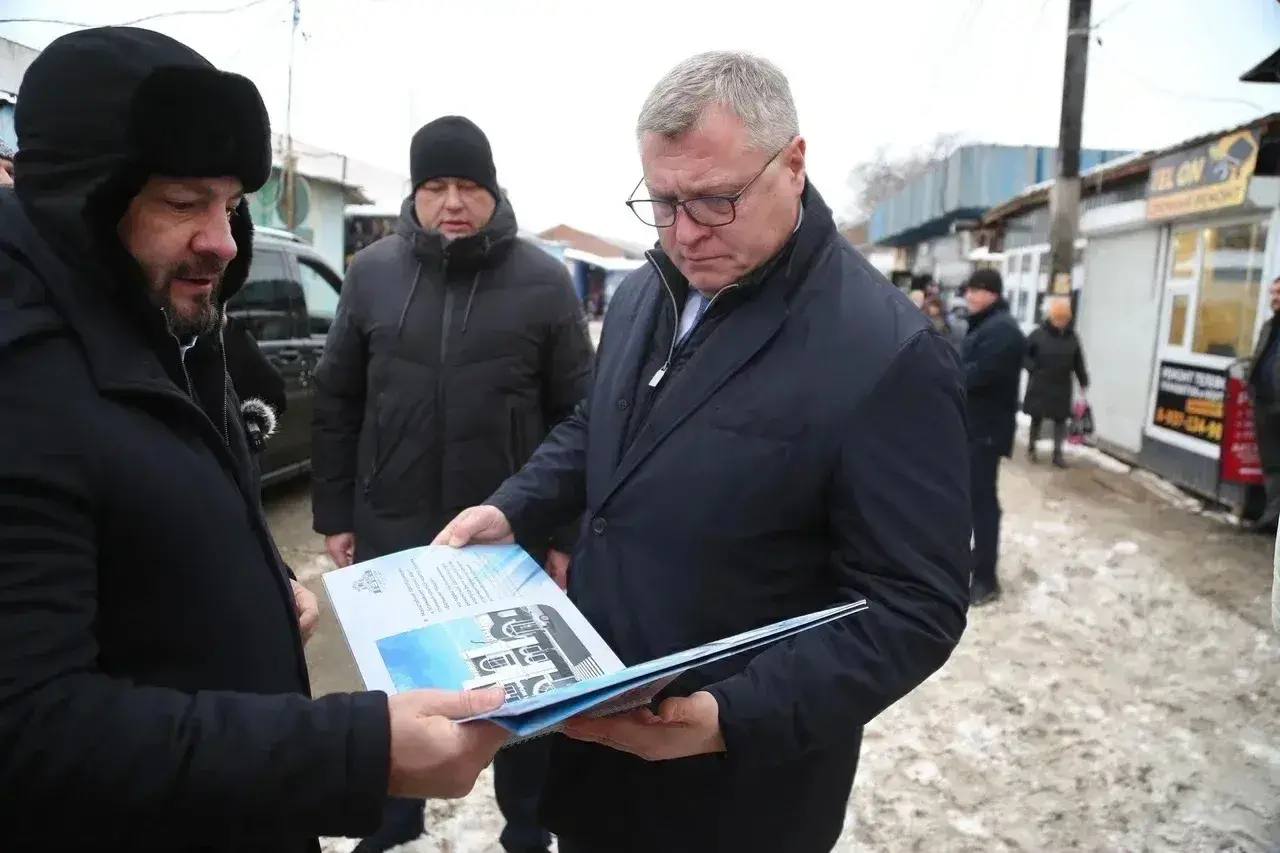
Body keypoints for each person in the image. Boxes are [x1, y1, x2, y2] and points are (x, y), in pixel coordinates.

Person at [432, 51, 972, 853]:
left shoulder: (886, 352)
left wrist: (731, 716)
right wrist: (515, 507)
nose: (684, 233)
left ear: (793, 163)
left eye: (716, 200)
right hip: (597, 755)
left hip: (738, 795)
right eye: (663, 201)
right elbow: (601, 426)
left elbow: (913, 607)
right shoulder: (645, 291)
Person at [0, 28, 507, 853]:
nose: (225, 241)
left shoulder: (162, 321)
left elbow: (150, 523)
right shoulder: (22, 380)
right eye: (183, 202)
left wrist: (262, 586)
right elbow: (31, 730)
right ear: (81, 197)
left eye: (232, 203)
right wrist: (357, 750)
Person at [311, 115, 593, 853]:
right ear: (415, 194)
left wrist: (563, 533)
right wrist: (337, 511)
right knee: (400, 686)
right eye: (435, 186)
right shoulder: (373, 274)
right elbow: (338, 398)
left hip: (508, 533)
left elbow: (580, 415)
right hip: (394, 523)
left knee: (522, 694)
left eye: (469, 185)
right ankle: (396, 817)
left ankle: (527, 827)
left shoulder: (543, 282)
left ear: (494, 191)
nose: (453, 202)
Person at [960, 268, 1026, 606]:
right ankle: (976, 562)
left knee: (983, 503)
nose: (970, 295)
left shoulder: (1002, 331)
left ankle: (987, 579)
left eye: (977, 290)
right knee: (972, 500)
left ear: (994, 294)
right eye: (969, 289)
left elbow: (977, 375)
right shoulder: (987, 325)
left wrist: (944, 373)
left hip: (985, 430)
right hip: (974, 427)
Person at [1023, 296, 1090, 468]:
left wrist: (1083, 379)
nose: (1061, 322)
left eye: (1065, 319)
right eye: (1058, 318)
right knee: (1037, 417)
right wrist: (1032, 368)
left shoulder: (1072, 338)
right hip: (1041, 382)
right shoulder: (1038, 334)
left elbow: (1078, 361)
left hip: (1062, 384)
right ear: (1051, 318)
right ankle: (1032, 447)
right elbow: (1024, 354)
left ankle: (1057, 455)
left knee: (1060, 420)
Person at [1248, 276, 1280, 530]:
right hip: (1265, 405)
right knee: (1271, 464)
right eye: (1273, 293)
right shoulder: (1269, 326)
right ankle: (1271, 519)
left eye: (1279, 293)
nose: (1274, 298)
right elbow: (1261, 356)